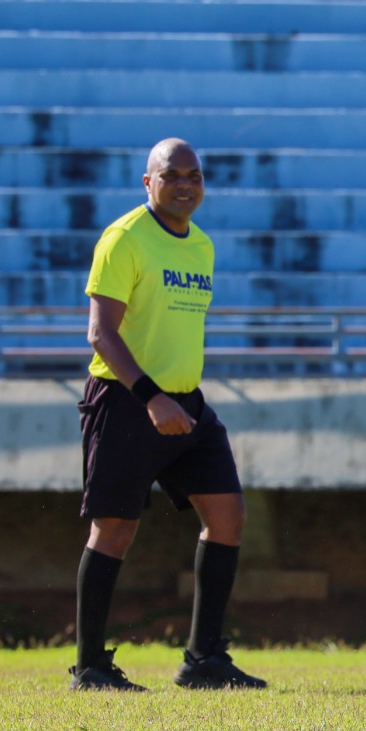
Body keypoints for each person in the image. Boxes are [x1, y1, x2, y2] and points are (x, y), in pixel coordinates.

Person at [69, 138, 265, 692]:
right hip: (128, 401)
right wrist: (151, 396)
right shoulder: (125, 238)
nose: (185, 184)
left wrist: (174, 397)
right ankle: (90, 667)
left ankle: (203, 659)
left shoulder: (200, 245)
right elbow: (100, 333)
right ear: (147, 182)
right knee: (114, 530)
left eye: (195, 176)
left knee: (227, 517)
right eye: (171, 174)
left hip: (187, 403)